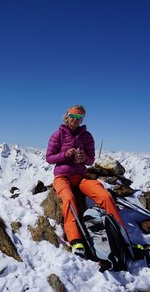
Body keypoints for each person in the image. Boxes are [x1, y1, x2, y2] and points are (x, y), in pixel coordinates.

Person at [46, 104, 126, 257]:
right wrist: (65, 155)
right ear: (67, 116)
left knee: (105, 196)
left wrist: (85, 158)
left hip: (81, 176)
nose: (75, 120)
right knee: (69, 198)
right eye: (73, 116)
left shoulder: (87, 136)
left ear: (82, 119)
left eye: (79, 117)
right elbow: (49, 158)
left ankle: (119, 231)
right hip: (62, 176)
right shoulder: (57, 135)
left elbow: (91, 160)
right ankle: (75, 239)